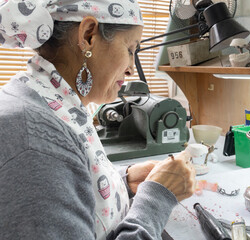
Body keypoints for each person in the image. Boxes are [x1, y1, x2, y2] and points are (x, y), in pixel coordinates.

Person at [0, 1, 196, 239]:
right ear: (88, 35)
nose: (131, 69)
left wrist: (125, 181)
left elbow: (68, 191)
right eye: (130, 49)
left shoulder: (51, 102)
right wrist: (157, 197)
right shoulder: (36, 143)